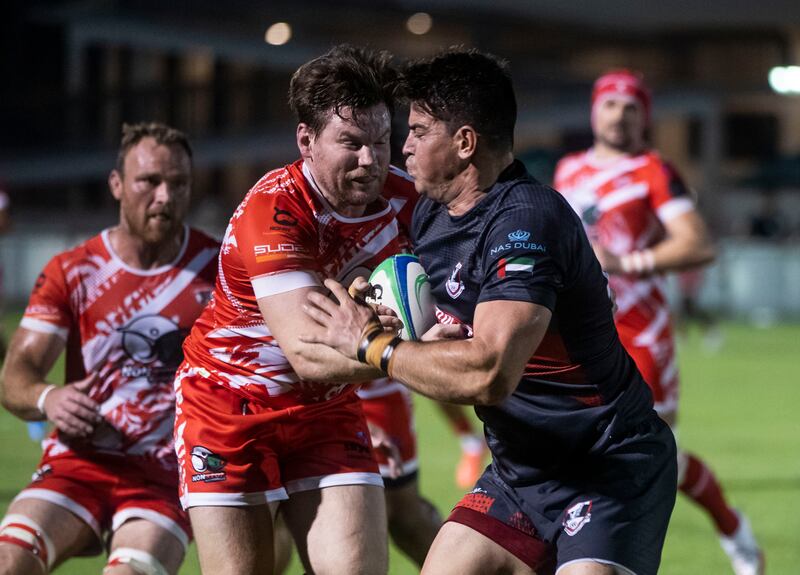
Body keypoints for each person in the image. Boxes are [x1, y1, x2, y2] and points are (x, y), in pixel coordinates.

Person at [301, 48, 678, 575]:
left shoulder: (528, 220)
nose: (402, 148)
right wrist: (369, 292)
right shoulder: (430, 212)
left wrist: (373, 346)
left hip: (604, 464)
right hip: (519, 471)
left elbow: (490, 373)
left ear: (464, 143)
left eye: (418, 131)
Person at [174, 44, 439, 575]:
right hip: (230, 407)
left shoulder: (408, 198)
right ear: (306, 140)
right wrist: (414, 356)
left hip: (325, 409)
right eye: (351, 144)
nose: (370, 160)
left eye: (382, 142)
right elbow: (308, 356)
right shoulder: (274, 209)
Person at [553, 69, 764, 575]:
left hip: (639, 333)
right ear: (593, 110)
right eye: (610, 104)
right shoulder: (567, 171)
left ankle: (730, 524)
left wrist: (627, 263)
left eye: (631, 107)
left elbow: (697, 243)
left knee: (650, 455)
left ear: (645, 116)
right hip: (581, 333)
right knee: (574, 452)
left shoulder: (653, 170)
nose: (619, 115)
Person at [0, 122, 218, 575]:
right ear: (117, 185)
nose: (164, 196)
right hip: (78, 460)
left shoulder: (217, 269)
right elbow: (16, 373)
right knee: (9, 559)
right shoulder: (73, 271)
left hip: (164, 473)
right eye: (150, 181)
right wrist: (48, 397)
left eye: (178, 184)